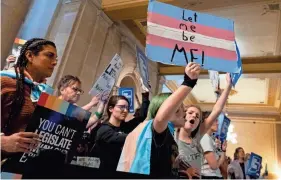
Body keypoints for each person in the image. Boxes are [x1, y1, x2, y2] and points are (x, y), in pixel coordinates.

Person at [117, 62, 201, 178]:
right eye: (179, 109)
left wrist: (181, 173)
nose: (185, 113)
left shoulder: (166, 133)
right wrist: (189, 82)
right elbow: (161, 119)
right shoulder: (158, 129)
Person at [1, 38, 57, 160]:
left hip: (24, 168)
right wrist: (3, 142)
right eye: (49, 56)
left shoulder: (46, 93)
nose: (54, 63)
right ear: (30, 56)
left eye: (56, 59)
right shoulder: (5, 83)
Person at [177, 74, 232, 179]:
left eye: (197, 116)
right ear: (183, 115)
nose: (194, 115)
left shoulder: (197, 137)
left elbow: (216, 110)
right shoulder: (172, 136)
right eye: (191, 113)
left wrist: (228, 85)